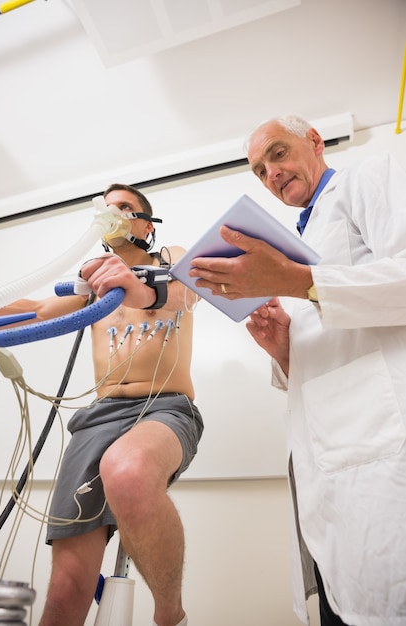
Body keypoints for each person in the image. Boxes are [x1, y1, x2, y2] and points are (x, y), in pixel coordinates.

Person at [188, 115, 406, 626]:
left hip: (379, 452)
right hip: (327, 454)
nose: (271, 174)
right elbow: (339, 337)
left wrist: (301, 280)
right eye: (260, 171)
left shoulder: (368, 179)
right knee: (340, 600)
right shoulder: (297, 241)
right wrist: (283, 349)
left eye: (278, 155)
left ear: (314, 141)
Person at [0, 183, 203, 626]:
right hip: (98, 419)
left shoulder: (171, 260)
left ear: (147, 224)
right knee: (66, 590)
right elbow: (35, 309)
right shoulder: (94, 283)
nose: (114, 214)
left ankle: (171, 616)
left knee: (126, 472)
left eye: (125, 208)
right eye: (107, 209)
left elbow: (187, 292)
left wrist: (137, 288)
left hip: (163, 408)